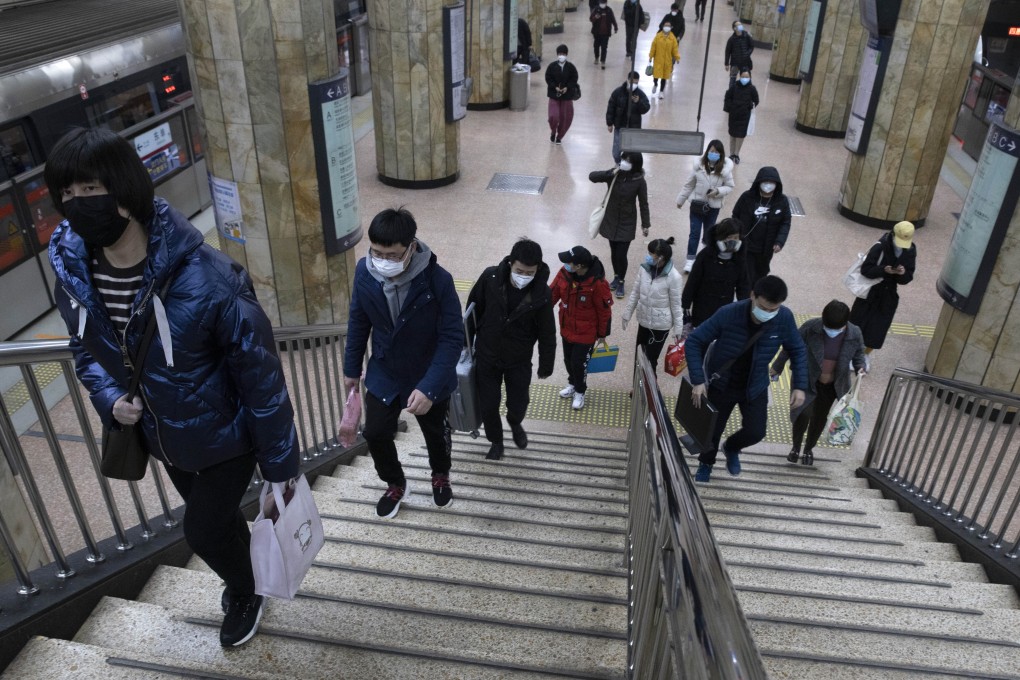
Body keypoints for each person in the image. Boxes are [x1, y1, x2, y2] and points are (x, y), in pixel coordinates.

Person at [46, 127, 300, 648]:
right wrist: (109, 398)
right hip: (167, 442)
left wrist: (281, 468)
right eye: (65, 195)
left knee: (202, 531)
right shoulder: (73, 274)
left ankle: (245, 589)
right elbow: (84, 351)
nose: (76, 205)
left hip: (228, 437)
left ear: (124, 188)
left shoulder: (209, 277)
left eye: (89, 190)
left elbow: (261, 380)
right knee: (222, 521)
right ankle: (243, 566)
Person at [343, 208, 463, 520]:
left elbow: (452, 338)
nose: (383, 260)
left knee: (435, 432)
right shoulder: (364, 272)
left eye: (392, 254)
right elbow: (358, 320)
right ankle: (395, 482)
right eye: (377, 252)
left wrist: (429, 387)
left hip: (428, 373)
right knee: (376, 432)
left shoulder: (438, 280)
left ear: (411, 247)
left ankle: (440, 474)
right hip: (386, 370)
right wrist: (351, 368)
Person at [684, 275, 808, 483]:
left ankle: (732, 447)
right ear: (752, 296)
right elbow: (695, 341)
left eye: (773, 309)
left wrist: (800, 386)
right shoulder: (728, 314)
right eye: (763, 307)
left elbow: (797, 349)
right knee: (713, 431)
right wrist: (698, 380)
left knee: (756, 431)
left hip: (755, 384)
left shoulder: (784, 318)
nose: (767, 314)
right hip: (723, 383)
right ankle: (706, 463)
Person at [466, 239, 556, 461]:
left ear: (537, 269)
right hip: (487, 355)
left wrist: (546, 365)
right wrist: (464, 345)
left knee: (519, 402)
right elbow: (472, 310)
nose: (523, 275)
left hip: (519, 359)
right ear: (510, 263)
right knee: (488, 405)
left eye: (529, 272)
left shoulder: (542, 293)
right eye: (519, 270)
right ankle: (496, 441)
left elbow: (547, 333)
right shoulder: (490, 278)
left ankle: (515, 423)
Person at [771, 300, 867, 466]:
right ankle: (795, 447)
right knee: (802, 413)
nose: (831, 332)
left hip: (832, 385)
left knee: (819, 418)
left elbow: (859, 353)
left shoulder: (855, 333)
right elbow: (790, 347)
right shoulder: (810, 327)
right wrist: (777, 367)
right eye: (828, 327)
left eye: (837, 329)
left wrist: (860, 367)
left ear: (845, 324)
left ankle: (809, 448)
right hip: (807, 379)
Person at [549, 246, 614, 411]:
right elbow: (552, 293)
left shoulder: (598, 284)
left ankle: (579, 391)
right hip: (566, 328)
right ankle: (572, 383)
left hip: (586, 334)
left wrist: (602, 334)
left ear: (579, 266)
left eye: (569, 262)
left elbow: (604, 311)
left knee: (579, 363)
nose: (565, 264)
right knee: (568, 360)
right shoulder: (564, 274)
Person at [849, 221, 917, 360]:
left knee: (877, 330)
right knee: (857, 325)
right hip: (869, 293)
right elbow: (866, 270)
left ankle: (864, 356)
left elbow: (907, 278)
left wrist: (902, 273)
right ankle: (850, 354)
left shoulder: (910, 251)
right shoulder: (880, 247)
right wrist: (883, 270)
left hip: (888, 296)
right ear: (893, 234)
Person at [590, 151, 650, 299]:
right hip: (611, 219)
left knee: (621, 254)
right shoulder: (614, 175)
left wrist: (645, 224)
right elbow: (592, 176)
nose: (624, 162)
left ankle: (621, 280)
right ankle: (616, 276)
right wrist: (611, 172)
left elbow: (643, 204)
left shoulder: (639, 181)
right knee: (614, 251)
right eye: (623, 159)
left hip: (627, 221)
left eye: (628, 161)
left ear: (635, 164)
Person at [621, 237, 685, 372]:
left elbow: (676, 305)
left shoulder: (674, 277)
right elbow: (635, 293)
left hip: (660, 326)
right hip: (644, 321)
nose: (648, 257)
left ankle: (649, 391)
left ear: (661, 258)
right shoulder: (644, 269)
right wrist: (627, 314)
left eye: (651, 254)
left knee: (650, 361)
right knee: (639, 357)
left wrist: (678, 329)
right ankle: (636, 387)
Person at [675, 139, 735, 271]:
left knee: (709, 232)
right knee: (694, 233)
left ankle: (705, 255)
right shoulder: (698, 167)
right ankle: (690, 260)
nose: (714, 154)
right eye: (712, 151)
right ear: (707, 151)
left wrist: (718, 192)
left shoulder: (725, 170)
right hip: (697, 205)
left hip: (713, 207)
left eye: (717, 152)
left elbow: (730, 186)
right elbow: (689, 184)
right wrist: (681, 200)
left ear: (721, 154)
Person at [681, 218, 750, 327]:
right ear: (720, 237)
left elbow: (743, 285)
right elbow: (693, 281)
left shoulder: (739, 259)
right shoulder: (705, 256)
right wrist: (685, 304)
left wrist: (745, 308)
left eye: (736, 238)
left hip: (724, 307)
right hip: (702, 305)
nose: (733, 241)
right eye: (729, 237)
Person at [731, 166, 791, 286]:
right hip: (747, 245)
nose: (768, 185)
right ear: (759, 182)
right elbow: (735, 215)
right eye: (765, 181)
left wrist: (779, 242)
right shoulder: (747, 197)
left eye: (771, 182)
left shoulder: (781, 201)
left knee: (760, 274)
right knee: (747, 275)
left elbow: (785, 222)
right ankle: (746, 297)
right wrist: (735, 235)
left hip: (766, 248)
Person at [606, 71, 650, 165]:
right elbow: (611, 108)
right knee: (616, 151)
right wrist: (609, 123)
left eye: (636, 83)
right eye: (633, 82)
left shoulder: (640, 94)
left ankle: (627, 167)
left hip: (633, 128)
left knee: (631, 151)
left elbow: (645, 108)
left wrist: (638, 102)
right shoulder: (618, 92)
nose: (634, 85)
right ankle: (619, 163)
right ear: (628, 80)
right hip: (620, 127)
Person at [545, 44, 579, 144]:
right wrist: (554, 86)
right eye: (560, 54)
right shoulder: (552, 66)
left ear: (566, 55)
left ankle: (559, 136)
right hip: (554, 95)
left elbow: (574, 79)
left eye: (563, 54)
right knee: (553, 116)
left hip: (567, 96)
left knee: (565, 118)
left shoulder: (571, 67)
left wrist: (567, 87)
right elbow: (548, 78)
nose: (561, 56)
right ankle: (553, 130)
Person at [723, 69, 758, 164]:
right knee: (732, 135)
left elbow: (756, 100)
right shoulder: (734, 87)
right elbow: (727, 97)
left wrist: (750, 105)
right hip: (734, 115)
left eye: (747, 77)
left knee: (740, 136)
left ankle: (736, 154)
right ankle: (731, 154)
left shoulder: (752, 89)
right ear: (739, 77)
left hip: (744, 117)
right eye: (743, 76)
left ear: (750, 78)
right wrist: (730, 107)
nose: (744, 79)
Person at [648, 21, 680, 99]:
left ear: (671, 27)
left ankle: (661, 91)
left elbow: (675, 49)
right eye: (665, 25)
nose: (667, 27)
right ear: (663, 27)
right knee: (656, 76)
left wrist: (677, 57)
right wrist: (651, 56)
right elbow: (653, 47)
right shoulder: (658, 37)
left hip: (667, 62)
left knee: (664, 77)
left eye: (668, 26)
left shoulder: (673, 39)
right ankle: (655, 84)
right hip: (658, 61)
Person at [590, 0, 618, 70]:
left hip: (606, 33)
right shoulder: (596, 9)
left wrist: (615, 27)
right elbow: (591, 19)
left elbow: (613, 19)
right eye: (601, 3)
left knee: (604, 48)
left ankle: (603, 61)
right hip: (597, 33)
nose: (603, 4)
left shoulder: (609, 10)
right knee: (596, 46)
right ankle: (596, 57)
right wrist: (595, 17)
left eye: (604, 3)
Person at [724, 21, 754, 85]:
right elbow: (727, 51)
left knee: (746, 80)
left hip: (745, 62)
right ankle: (731, 93)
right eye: (738, 25)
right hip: (735, 63)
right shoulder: (731, 39)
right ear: (734, 28)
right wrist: (727, 64)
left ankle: (747, 94)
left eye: (740, 24)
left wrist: (747, 53)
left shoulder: (747, 36)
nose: (740, 26)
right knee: (732, 80)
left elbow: (752, 46)